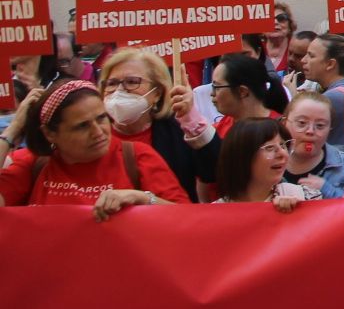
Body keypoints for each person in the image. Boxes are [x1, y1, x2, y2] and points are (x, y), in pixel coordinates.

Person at [0, 81, 189, 213]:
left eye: (101, 118)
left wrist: (142, 198)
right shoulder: (36, 163)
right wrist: (13, 129)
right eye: (82, 126)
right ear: (50, 133)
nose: (98, 131)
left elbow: (186, 217)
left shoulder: (136, 155)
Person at [94, 48, 219, 201]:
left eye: (132, 82)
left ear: (157, 92)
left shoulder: (176, 131)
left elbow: (216, 172)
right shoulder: (93, 133)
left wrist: (191, 119)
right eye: (111, 83)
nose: (120, 90)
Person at [212, 118, 315, 209]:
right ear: (243, 156)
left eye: (283, 146)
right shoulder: (216, 214)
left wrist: (300, 212)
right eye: (269, 147)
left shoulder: (301, 197)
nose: (283, 154)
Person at [281, 90, 344, 198]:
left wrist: (327, 190)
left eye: (320, 125)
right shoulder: (267, 164)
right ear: (284, 123)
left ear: (330, 129)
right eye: (302, 123)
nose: (310, 131)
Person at [208, 54, 290, 137]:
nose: (212, 93)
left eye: (217, 87)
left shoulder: (282, 130)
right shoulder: (218, 130)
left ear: (242, 91)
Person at [299, 33, 344, 145]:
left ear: (330, 64)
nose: (303, 60)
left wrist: (294, 99)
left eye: (311, 56)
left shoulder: (331, 98)